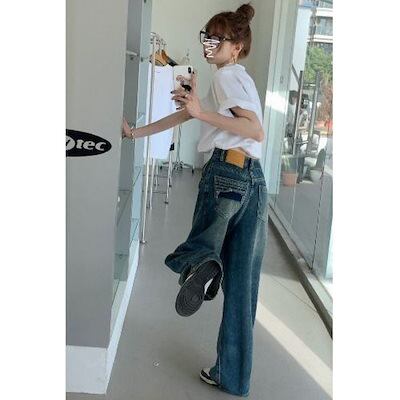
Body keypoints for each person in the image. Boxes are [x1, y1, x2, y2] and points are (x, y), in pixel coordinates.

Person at [122, 3, 268, 397]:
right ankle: (233, 377)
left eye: (219, 39)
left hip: (226, 174)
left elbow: (254, 130)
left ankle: (203, 262)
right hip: (254, 180)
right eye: (208, 37)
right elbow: (184, 117)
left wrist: (201, 112)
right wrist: (137, 133)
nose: (210, 44)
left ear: (236, 47)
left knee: (200, 248)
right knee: (244, 288)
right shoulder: (238, 80)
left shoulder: (227, 77)